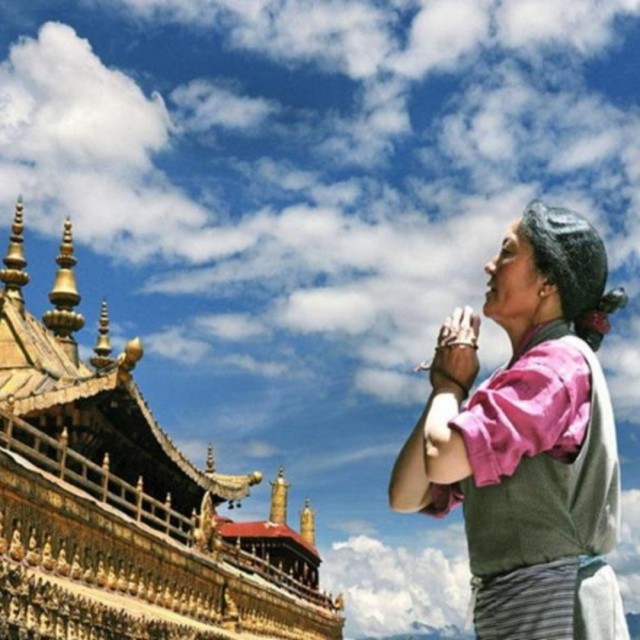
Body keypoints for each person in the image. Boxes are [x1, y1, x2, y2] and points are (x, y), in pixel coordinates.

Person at [388, 200, 630, 639]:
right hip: (519, 613)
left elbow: (440, 458)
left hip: (555, 611)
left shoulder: (557, 366)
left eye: (507, 252)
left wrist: (450, 389)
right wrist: (446, 384)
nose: (489, 265)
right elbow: (406, 495)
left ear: (548, 282)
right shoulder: (511, 385)